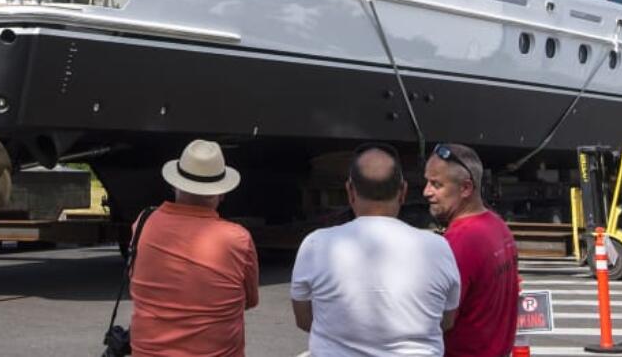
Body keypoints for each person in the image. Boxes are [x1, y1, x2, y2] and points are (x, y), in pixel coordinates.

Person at [291, 143, 460, 356]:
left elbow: (304, 320)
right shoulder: (438, 248)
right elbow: (445, 320)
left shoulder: (315, 245)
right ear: (403, 192)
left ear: (350, 191)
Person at [129, 139, 259, 357]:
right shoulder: (237, 239)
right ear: (222, 193)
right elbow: (249, 300)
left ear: (174, 184)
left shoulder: (143, 223)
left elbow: (136, 280)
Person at [423, 143, 519, 357]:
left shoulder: (458, 242)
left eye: (436, 184)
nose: (426, 192)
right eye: (427, 182)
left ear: (466, 188)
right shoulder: (498, 226)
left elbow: (439, 320)